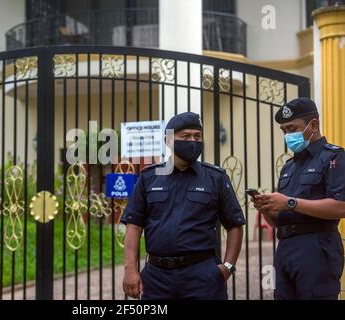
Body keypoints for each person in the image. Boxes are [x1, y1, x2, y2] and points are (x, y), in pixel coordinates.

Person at [121, 112, 245, 300]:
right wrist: (130, 270)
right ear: (169, 140)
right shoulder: (148, 178)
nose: (193, 141)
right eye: (185, 136)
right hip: (156, 277)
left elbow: (235, 224)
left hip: (202, 276)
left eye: (197, 136)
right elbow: (134, 225)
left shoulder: (215, 178)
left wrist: (227, 267)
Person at [252, 97, 345, 300]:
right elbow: (278, 220)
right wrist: (267, 208)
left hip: (316, 248)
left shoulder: (334, 157)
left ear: (313, 124)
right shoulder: (289, 167)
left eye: (292, 128)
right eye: (284, 130)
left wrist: (290, 203)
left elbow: (340, 206)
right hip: (285, 248)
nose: (287, 135)